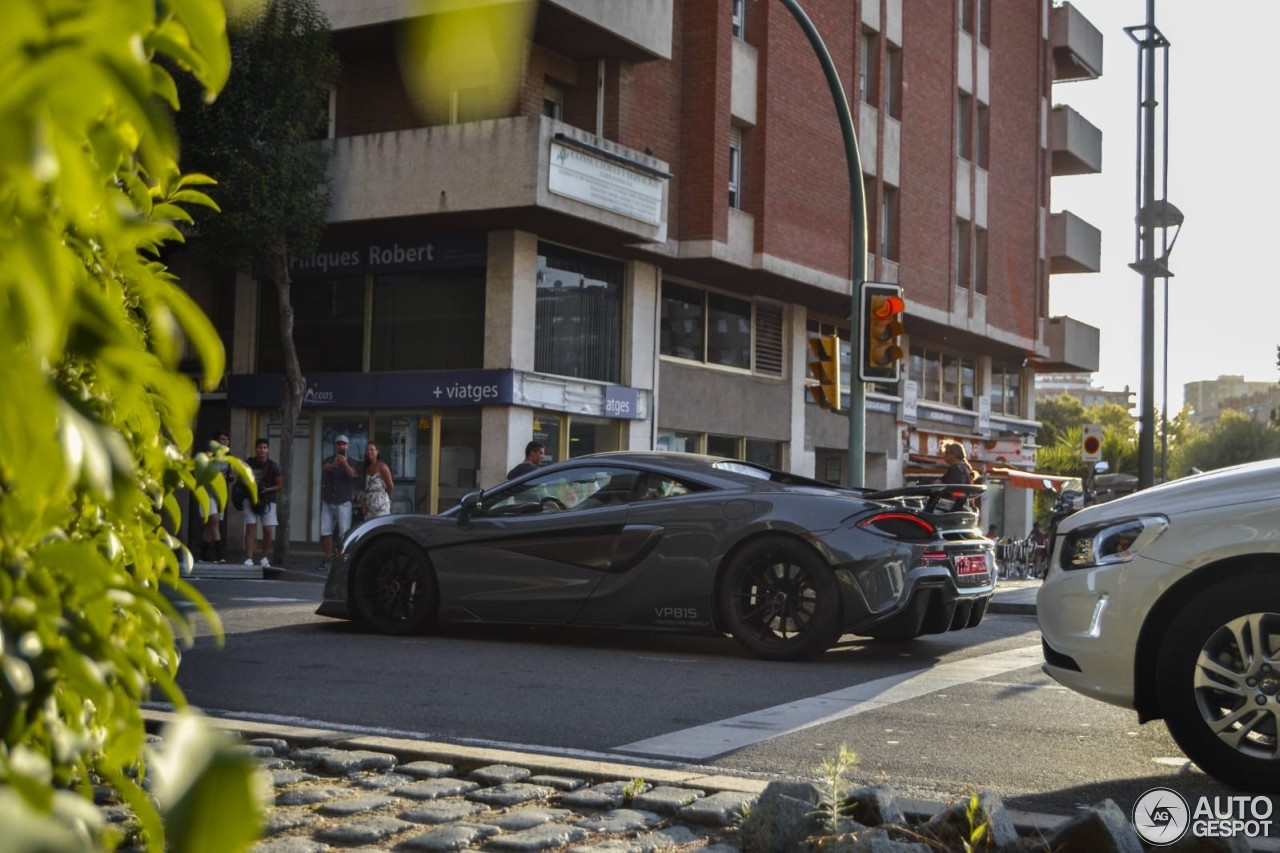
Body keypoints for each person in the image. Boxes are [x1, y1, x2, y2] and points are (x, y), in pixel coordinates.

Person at [243, 437, 283, 569]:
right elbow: (241, 479)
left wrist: (267, 489)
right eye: (260, 447)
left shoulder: (273, 466)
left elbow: (279, 485)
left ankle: (264, 557)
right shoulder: (249, 463)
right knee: (250, 527)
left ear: (268, 450)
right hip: (250, 498)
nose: (262, 450)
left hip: (268, 500)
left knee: (267, 529)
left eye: (265, 448)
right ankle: (249, 558)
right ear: (256, 449)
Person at [319, 434, 357, 568]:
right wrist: (335, 462)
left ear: (348, 446)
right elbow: (324, 469)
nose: (341, 446)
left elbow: (352, 474)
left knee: (344, 532)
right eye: (339, 444)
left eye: (344, 444)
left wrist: (345, 463)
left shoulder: (352, 460)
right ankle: (328, 558)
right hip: (328, 500)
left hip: (343, 501)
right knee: (325, 530)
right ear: (335, 446)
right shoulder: (329, 459)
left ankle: (341, 560)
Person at [200, 429, 231, 563]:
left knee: (210, 525)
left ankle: (204, 554)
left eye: (227, 440)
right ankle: (220, 552)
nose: (225, 442)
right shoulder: (208, 456)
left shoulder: (228, 459)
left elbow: (232, 476)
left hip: (220, 494)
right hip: (207, 492)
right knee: (214, 520)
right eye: (222, 439)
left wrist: (228, 477)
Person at [362, 442, 394, 519]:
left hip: (381, 506)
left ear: (377, 451)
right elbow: (367, 488)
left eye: (372, 450)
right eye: (367, 450)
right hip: (369, 506)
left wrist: (383, 499)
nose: (369, 452)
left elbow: (390, 486)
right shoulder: (367, 468)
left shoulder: (382, 466)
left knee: (381, 528)